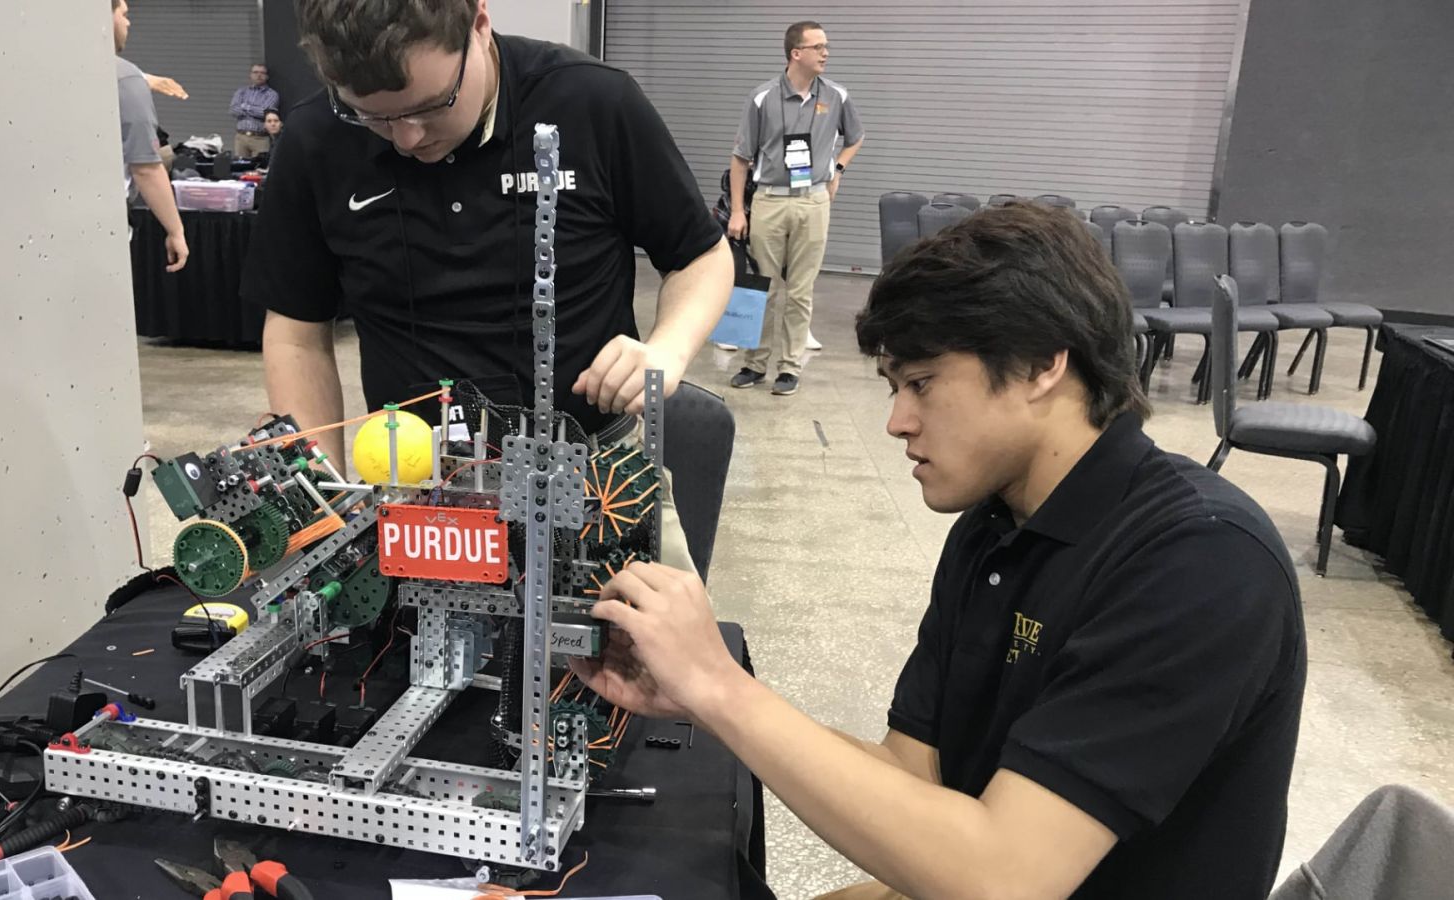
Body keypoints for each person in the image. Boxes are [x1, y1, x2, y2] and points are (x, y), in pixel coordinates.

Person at [572, 203, 1307, 899]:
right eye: (895, 386)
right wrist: (704, 700)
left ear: (1042, 365)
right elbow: (910, 780)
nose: (897, 420)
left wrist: (721, 688)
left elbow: (1003, 878)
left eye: (922, 383)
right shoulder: (995, 529)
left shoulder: (1200, 564)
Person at [245, 0, 730, 477]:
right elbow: (297, 332)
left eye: (431, 107)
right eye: (371, 117)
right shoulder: (315, 138)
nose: (407, 138)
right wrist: (319, 493)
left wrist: (668, 349)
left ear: (478, 23)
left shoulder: (593, 101)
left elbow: (701, 256)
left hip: (592, 471)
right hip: (414, 481)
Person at [727, 20, 864, 396]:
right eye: (818, 47)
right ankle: (755, 364)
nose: (826, 53)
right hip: (770, 200)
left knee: (801, 291)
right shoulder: (762, 98)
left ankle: (789, 367)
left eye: (826, 46)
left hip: (813, 202)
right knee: (763, 289)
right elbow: (740, 158)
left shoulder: (836, 96)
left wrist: (837, 169)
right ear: (796, 53)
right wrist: (739, 211)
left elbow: (856, 137)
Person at [113, 0, 187, 272]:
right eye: (124, 15)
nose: (128, 23)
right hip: (104, 221)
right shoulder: (126, 79)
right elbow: (145, 167)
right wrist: (175, 230)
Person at [230, 64, 280, 158]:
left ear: (267, 76)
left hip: (260, 138)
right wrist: (255, 109)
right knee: (240, 168)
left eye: (262, 73)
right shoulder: (241, 91)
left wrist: (245, 107)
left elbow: (265, 113)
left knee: (259, 168)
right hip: (241, 137)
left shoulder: (271, 94)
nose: (259, 75)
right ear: (250, 75)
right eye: (256, 72)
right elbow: (233, 110)